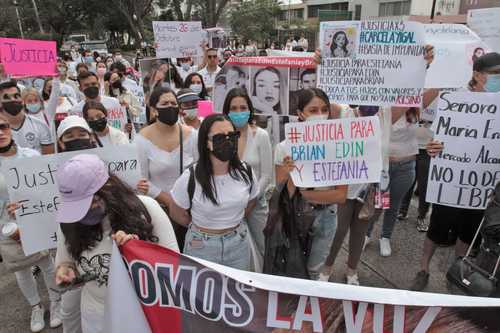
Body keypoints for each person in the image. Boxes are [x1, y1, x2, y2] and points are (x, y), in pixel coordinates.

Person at [54, 154, 178, 333]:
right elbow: (65, 261)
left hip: (142, 314)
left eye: (90, 202)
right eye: (78, 206)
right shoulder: (69, 221)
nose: (84, 213)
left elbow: (173, 265)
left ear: (108, 186)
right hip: (96, 316)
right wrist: (65, 271)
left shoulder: (147, 208)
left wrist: (137, 251)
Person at [410, 52, 500, 291]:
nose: (498, 79)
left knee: (469, 232)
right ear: (478, 75)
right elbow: (434, 131)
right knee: (437, 228)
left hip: (484, 184)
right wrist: (433, 146)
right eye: (495, 74)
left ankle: (458, 271)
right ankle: (423, 269)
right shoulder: (456, 98)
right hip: (451, 180)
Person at [365, 45, 435, 257]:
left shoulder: (415, 106)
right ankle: (367, 234)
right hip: (384, 166)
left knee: (393, 206)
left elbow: (437, 88)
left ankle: (385, 237)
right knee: (378, 205)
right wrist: (409, 91)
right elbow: (390, 119)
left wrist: (430, 64)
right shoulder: (382, 102)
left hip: (406, 166)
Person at [274, 88, 348, 280]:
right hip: (295, 217)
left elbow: (340, 195)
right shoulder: (283, 148)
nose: (320, 115)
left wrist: (302, 193)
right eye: (313, 110)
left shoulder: (339, 145)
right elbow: (282, 195)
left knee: (315, 271)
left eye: (324, 109)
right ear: (300, 114)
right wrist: (289, 175)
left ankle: (309, 306)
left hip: (326, 216)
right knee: (292, 267)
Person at [169, 114, 259, 270]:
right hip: (201, 247)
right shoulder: (190, 177)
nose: (228, 141)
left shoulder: (246, 172)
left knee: (236, 293)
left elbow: (252, 201)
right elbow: (176, 211)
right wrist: (201, 223)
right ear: (206, 143)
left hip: (238, 244)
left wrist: (233, 218)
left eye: (232, 136)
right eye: (219, 138)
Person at [0, 113, 62, 332]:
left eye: (3, 126)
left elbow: (46, 190)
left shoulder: (31, 156)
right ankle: (36, 306)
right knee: (22, 269)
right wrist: (9, 225)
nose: (0, 132)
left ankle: (56, 302)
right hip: (6, 229)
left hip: (35, 221)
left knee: (46, 263)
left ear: (10, 128)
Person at [318, 105, 392, 285]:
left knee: (360, 231)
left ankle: (352, 270)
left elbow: (415, 93)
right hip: (345, 184)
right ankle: (327, 266)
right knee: (338, 228)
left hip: (373, 185)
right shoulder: (344, 112)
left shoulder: (386, 112)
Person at [135, 87, 198, 247]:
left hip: (190, 210)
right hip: (159, 211)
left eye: (173, 103)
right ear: (155, 110)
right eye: (165, 103)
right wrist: (168, 200)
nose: (170, 106)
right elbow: (141, 181)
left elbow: (200, 170)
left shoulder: (192, 135)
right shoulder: (141, 140)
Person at [222, 88, 272, 268]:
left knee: (262, 247)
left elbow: (266, 174)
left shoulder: (261, 135)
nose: (238, 112)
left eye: (243, 107)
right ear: (227, 111)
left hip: (256, 205)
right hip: (229, 207)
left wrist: (251, 199)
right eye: (233, 108)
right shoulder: (222, 137)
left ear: (250, 110)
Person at [0, 81, 54, 154]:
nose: (13, 99)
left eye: (16, 96)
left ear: (22, 100)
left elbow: (49, 159)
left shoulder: (40, 125)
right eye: (6, 97)